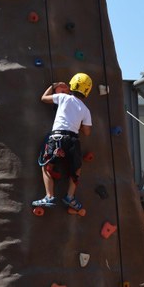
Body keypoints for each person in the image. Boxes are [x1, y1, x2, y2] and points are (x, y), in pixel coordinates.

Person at [32, 73, 93, 210]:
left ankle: (49, 196)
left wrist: (54, 85)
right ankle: (70, 197)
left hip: (57, 138)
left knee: (47, 165)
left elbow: (44, 98)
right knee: (76, 169)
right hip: (73, 140)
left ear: (72, 86)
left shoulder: (63, 97)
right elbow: (87, 132)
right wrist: (78, 123)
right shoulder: (85, 110)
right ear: (87, 91)